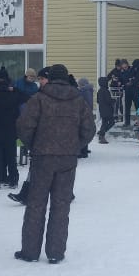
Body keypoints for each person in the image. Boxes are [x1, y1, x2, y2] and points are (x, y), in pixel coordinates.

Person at [14, 63, 95, 263]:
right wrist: (74, 146)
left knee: (36, 204)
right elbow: (89, 130)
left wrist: (34, 145)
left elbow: (24, 126)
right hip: (67, 159)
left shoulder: (39, 99)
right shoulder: (78, 100)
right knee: (61, 205)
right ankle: (56, 252)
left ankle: (30, 251)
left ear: (50, 78)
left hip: (42, 157)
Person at [96, 75, 116, 144]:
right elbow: (108, 100)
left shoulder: (99, 91)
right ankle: (101, 135)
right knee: (111, 122)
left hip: (102, 109)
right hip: (108, 110)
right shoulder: (105, 91)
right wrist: (113, 100)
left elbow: (97, 101)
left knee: (104, 123)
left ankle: (101, 133)